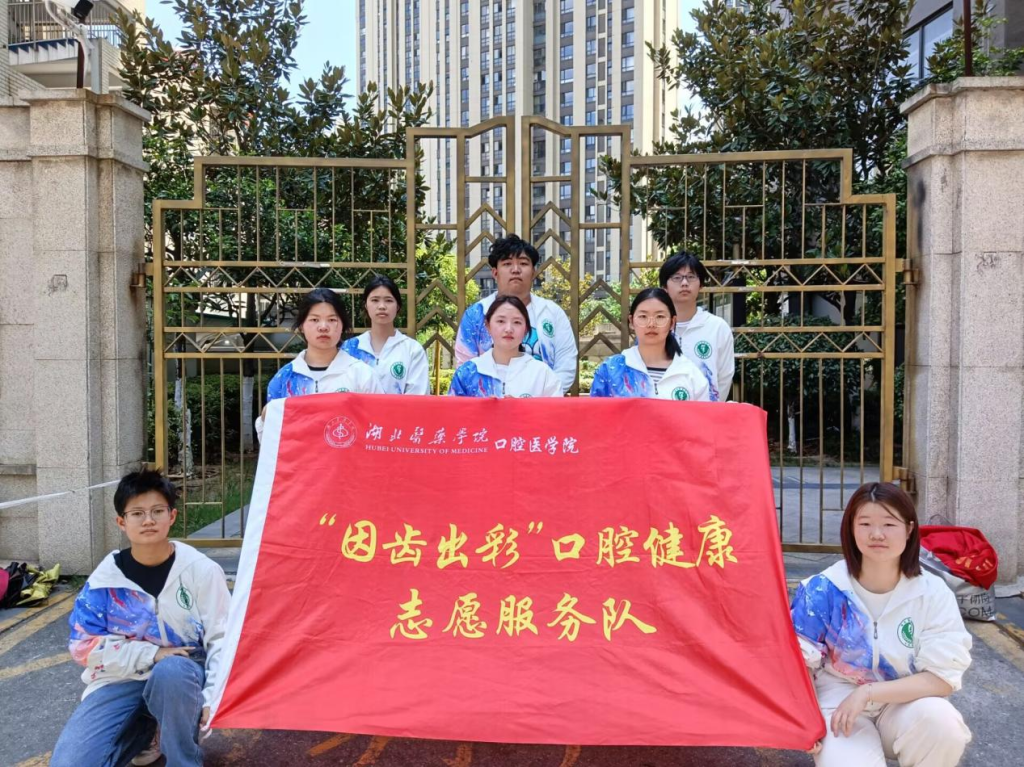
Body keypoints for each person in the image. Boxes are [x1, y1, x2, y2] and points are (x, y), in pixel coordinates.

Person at [50, 470, 231, 767]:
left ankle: (183, 760)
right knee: (69, 763)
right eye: (137, 513)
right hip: (120, 679)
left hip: (182, 680)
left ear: (172, 516)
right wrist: (152, 654)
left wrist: (213, 697)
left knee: (171, 671)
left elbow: (222, 638)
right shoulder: (104, 581)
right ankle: (146, 731)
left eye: (157, 511)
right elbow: (82, 646)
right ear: (122, 522)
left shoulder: (202, 571)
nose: (148, 520)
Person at [790, 482, 973, 767]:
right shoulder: (823, 589)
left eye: (889, 524)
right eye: (865, 524)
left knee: (943, 725)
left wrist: (868, 693)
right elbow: (798, 664)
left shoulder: (932, 593)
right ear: (851, 528)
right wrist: (808, 721)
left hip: (905, 702)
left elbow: (941, 678)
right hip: (839, 705)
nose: (877, 534)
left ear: (909, 529)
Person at [454, 234, 577, 393]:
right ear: (495, 273)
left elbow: (566, 366)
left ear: (533, 272)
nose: (516, 270)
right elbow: (465, 368)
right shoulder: (476, 314)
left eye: (523, 263)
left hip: (542, 403)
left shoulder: (553, 313)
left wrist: (533, 401)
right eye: (507, 264)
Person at [256, 288, 382, 438]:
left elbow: (378, 429)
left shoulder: (362, 374)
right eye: (314, 320)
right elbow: (272, 440)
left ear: (343, 325)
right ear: (302, 325)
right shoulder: (285, 378)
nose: (323, 327)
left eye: (332, 320)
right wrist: (264, 418)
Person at [590, 287, 711, 401]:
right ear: (631, 321)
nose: (651, 324)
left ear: (672, 322)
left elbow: (702, 415)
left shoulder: (690, 373)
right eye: (643, 316)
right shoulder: (611, 369)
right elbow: (596, 413)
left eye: (660, 316)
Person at [449, 295, 563, 398]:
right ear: (488, 326)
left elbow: (555, 413)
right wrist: (483, 410)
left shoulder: (542, 374)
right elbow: (453, 412)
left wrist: (520, 409)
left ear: (526, 330)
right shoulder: (467, 372)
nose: (508, 329)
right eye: (501, 321)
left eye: (517, 322)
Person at [659, 251, 735, 401]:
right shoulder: (655, 327)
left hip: (705, 411)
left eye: (691, 277)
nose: (684, 283)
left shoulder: (717, 327)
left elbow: (724, 377)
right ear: (664, 286)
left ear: (701, 284)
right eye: (677, 277)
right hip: (663, 411)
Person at [342, 275, 429, 395]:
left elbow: (418, 397)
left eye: (388, 300)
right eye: (375, 300)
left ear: (397, 306)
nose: (382, 306)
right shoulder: (348, 348)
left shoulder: (412, 350)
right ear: (366, 305)